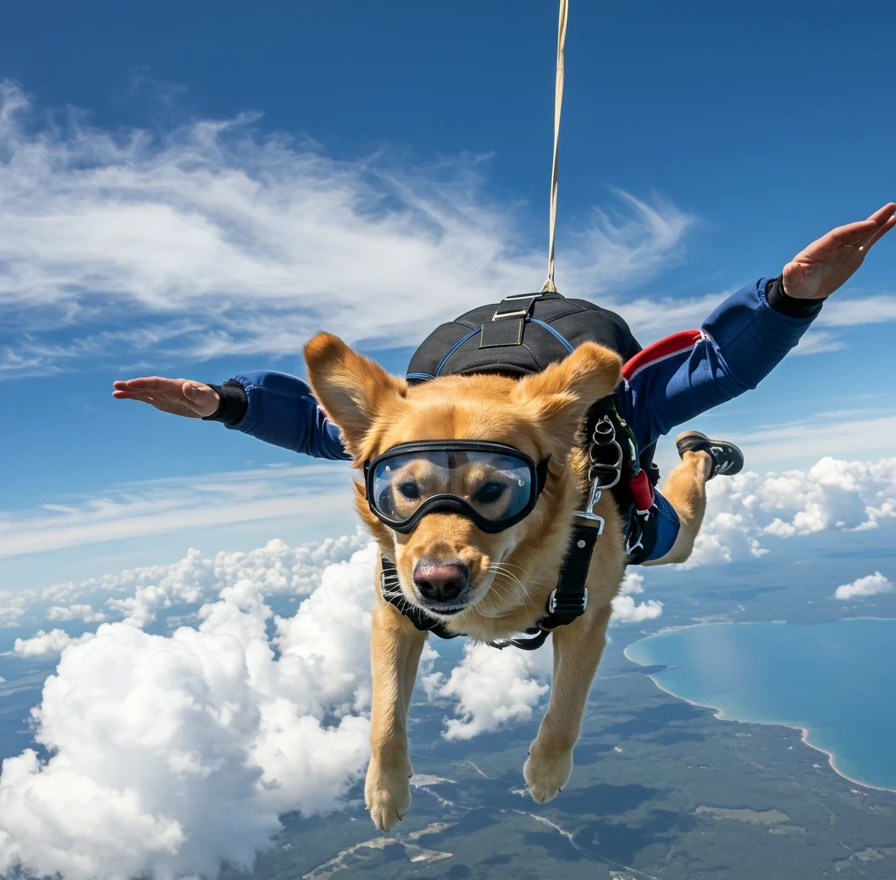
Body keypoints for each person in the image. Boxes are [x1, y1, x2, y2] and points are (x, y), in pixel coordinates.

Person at [114, 204, 895, 567]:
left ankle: (701, 463)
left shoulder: (577, 410)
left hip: (592, 469)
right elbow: (717, 364)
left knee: (671, 542)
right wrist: (228, 403)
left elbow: (328, 429)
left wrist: (232, 405)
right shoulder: (430, 410)